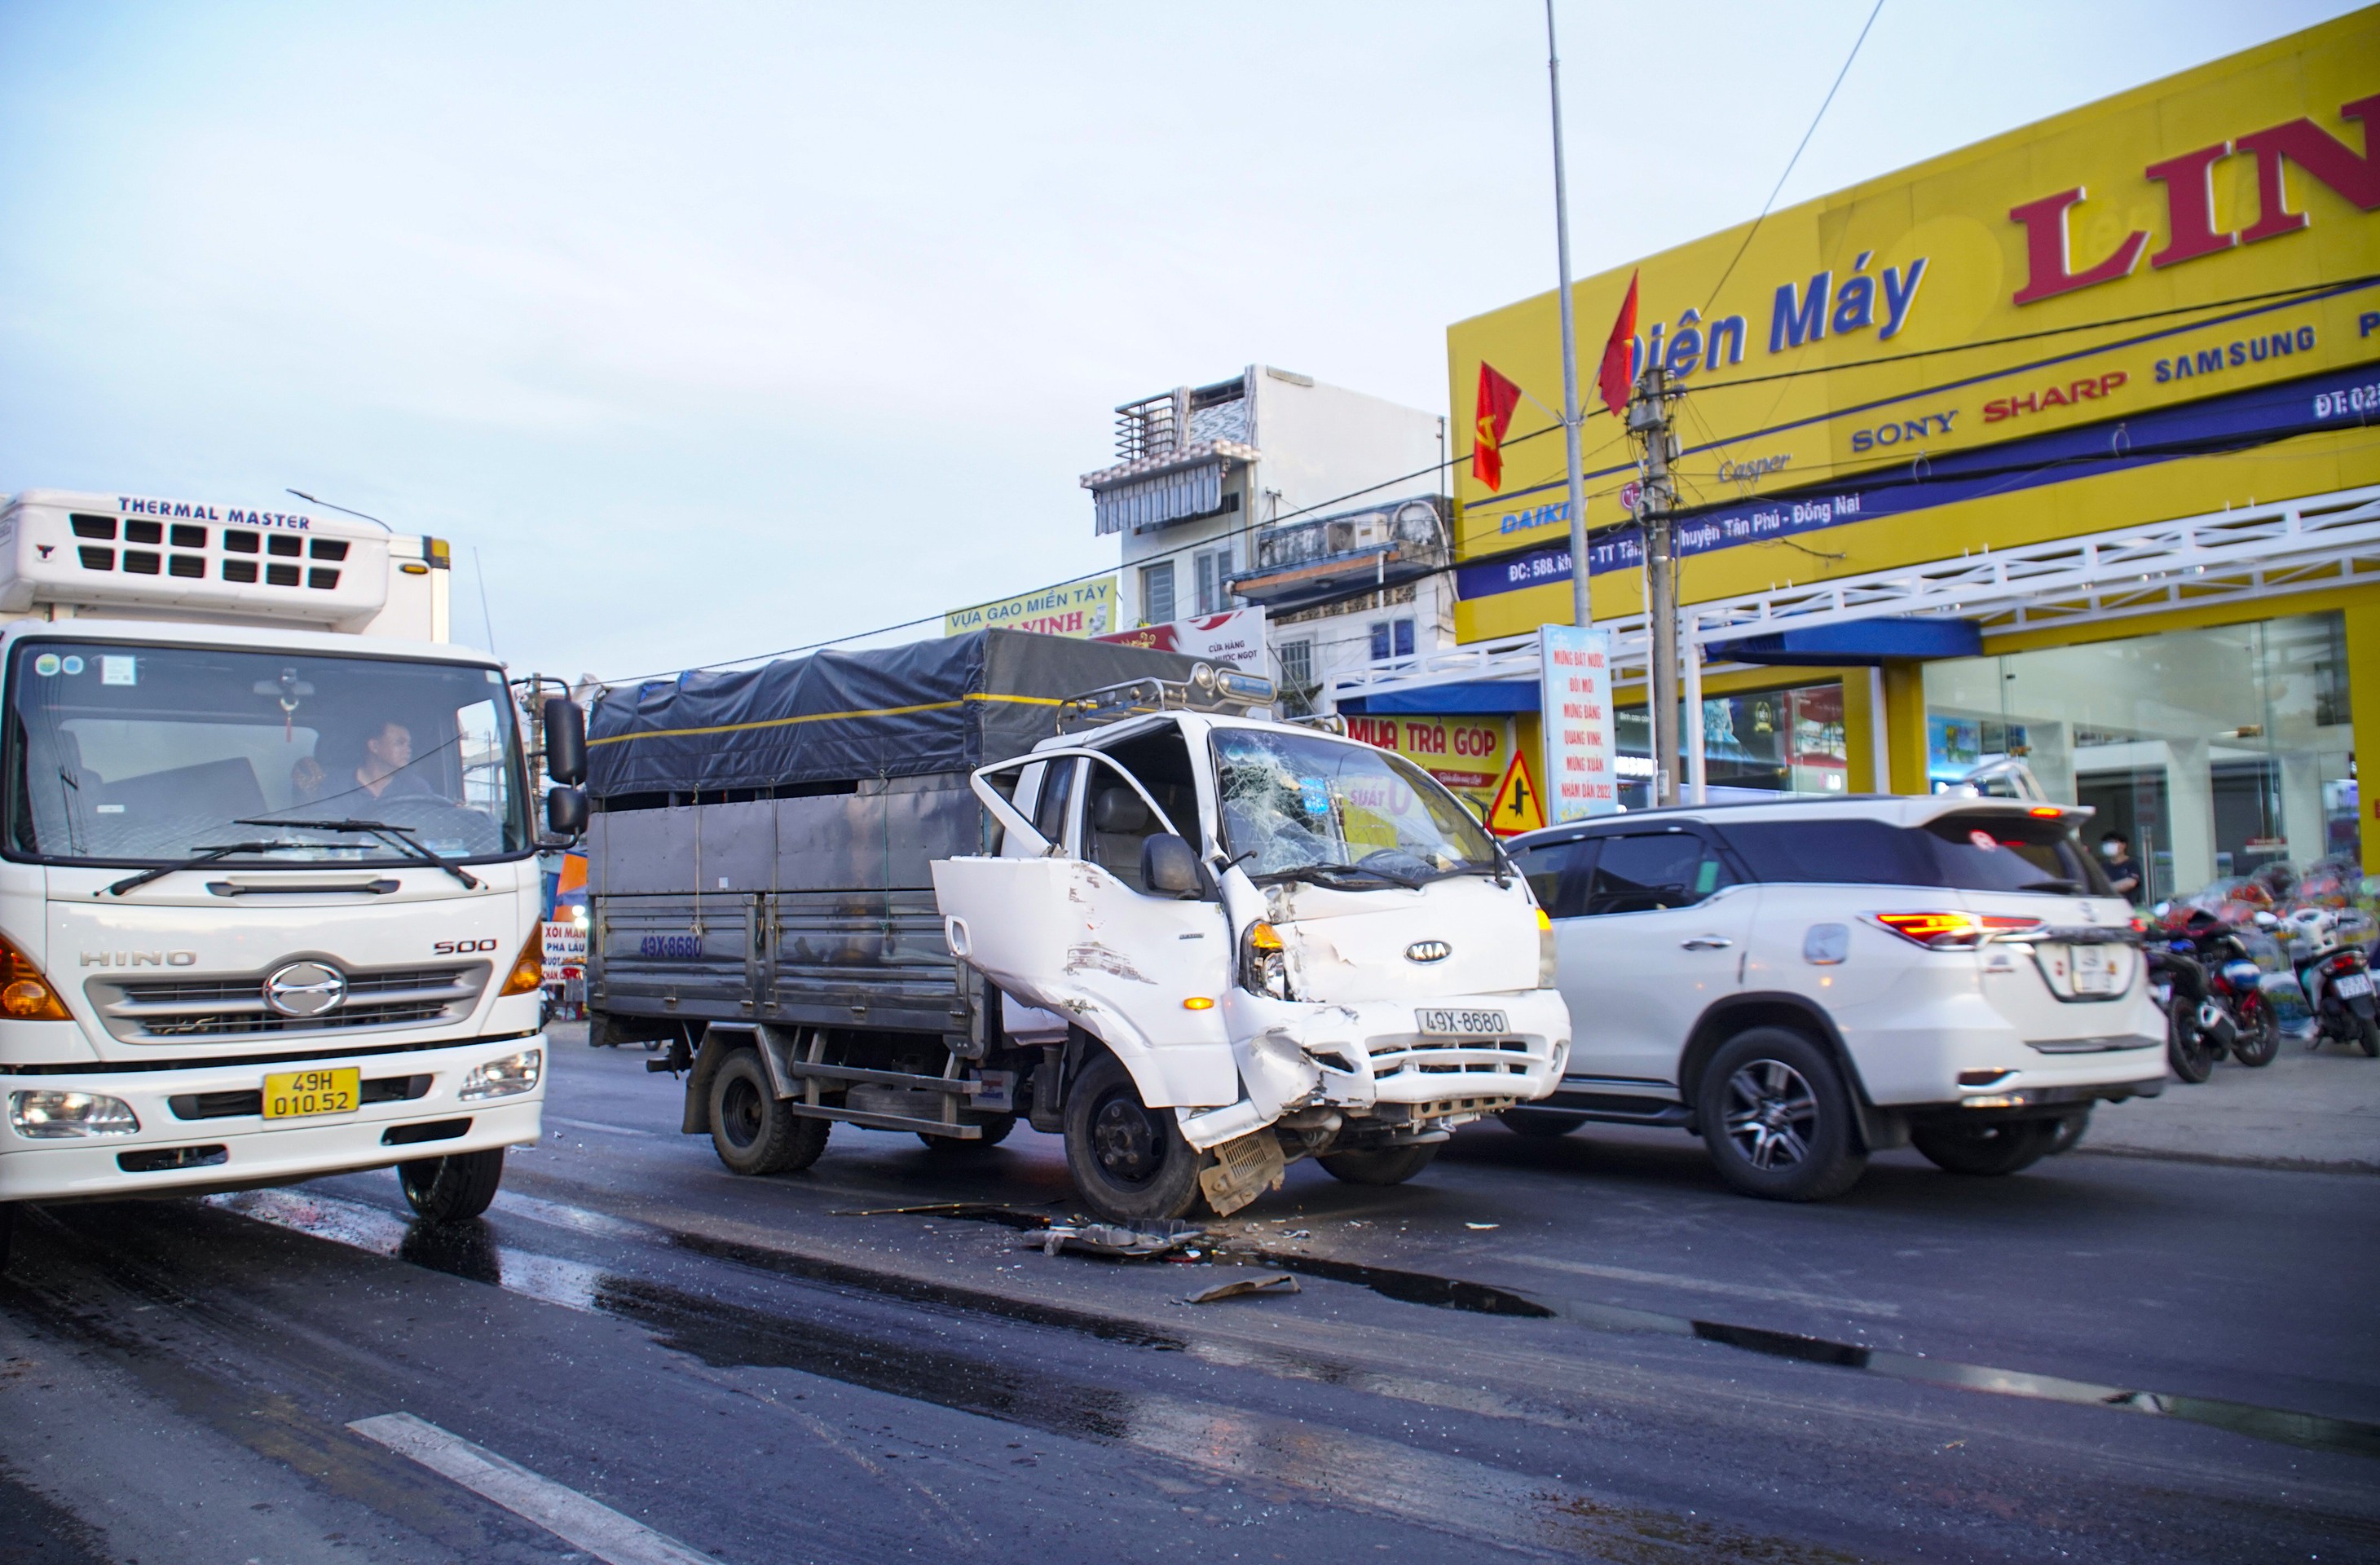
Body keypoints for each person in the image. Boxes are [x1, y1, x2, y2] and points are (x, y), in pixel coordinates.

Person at [291, 721, 439, 805]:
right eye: (400, 743)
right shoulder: (334, 785)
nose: (408, 750)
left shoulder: (416, 787)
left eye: (409, 744)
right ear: (374, 746)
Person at [2099, 831, 2142, 901]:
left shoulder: (2132, 863)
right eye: (2106, 843)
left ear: (2123, 845)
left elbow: (2130, 883)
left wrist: (2106, 888)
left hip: (2126, 905)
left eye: (2113, 842)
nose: (2109, 845)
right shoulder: (2103, 866)